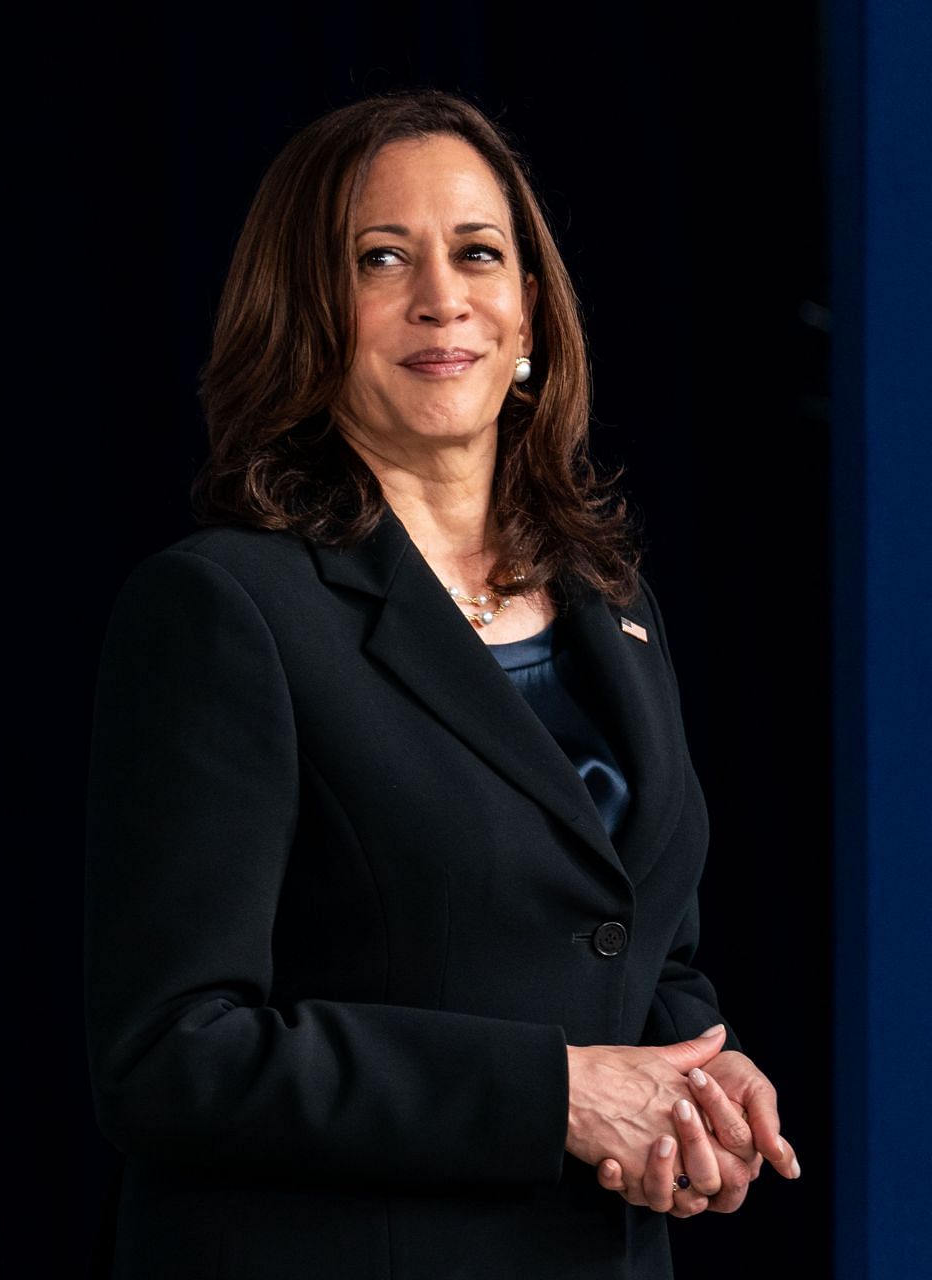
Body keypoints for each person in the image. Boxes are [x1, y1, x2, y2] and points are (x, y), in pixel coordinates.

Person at [82, 91, 800, 1279]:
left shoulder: (608, 605)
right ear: (309, 318)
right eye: (381, 259)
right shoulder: (224, 610)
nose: (441, 295)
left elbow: (643, 949)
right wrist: (552, 1094)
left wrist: (697, 1068)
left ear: (530, 319)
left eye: (478, 251)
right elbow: (171, 1055)